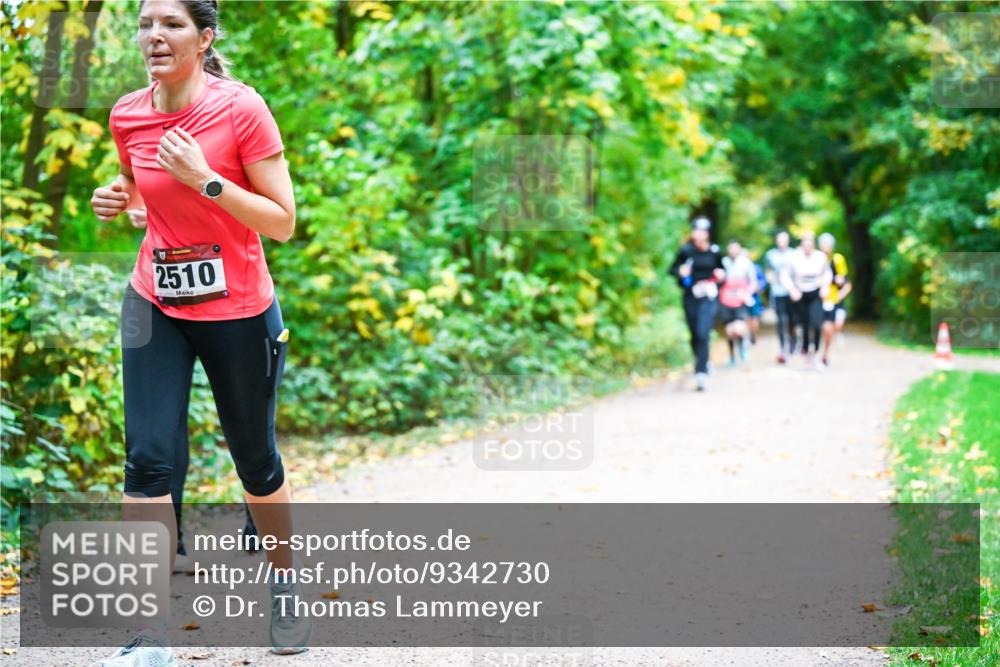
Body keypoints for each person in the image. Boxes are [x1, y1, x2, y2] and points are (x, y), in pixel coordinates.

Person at [89, 1, 309, 662]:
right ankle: (147, 634)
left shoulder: (241, 109)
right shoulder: (128, 113)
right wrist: (119, 198)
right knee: (147, 459)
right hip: (155, 300)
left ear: (204, 37)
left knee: (256, 461)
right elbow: (140, 190)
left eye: (172, 24)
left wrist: (207, 180)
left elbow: (282, 221)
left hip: (237, 308)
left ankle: (285, 585)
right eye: (145, 24)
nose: (154, 36)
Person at [669, 217, 725, 391]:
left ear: (707, 234)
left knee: (703, 331)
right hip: (691, 296)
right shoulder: (686, 251)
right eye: (696, 230)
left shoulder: (715, 251)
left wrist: (721, 276)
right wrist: (681, 272)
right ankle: (702, 359)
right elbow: (672, 269)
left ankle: (701, 372)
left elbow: (723, 272)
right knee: (694, 333)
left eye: (702, 231)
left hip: (708, 296)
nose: (699, 234)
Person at [780, 231, 832, 370]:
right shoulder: (794, 257)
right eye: (805, 242)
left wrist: (825, 286)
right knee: (803, 325)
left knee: (816, 324)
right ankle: (804, 350)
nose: (808, 245)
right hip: (800, 294)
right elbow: (785, 275)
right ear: (802, 243)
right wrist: (792, 289)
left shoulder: (821, 257)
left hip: (815, 293)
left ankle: (816, 352)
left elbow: (827, 273)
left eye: (810, 242)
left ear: (814, 244)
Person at [718, 241, 758, 367]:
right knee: (729, 330)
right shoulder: (722, 262)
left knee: (739, 328)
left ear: (739, 249)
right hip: (725, 301)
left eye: (735, 248)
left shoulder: (746, 263)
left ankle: (742, 347)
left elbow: (753, 281)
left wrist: (747, 294)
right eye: (731, 248)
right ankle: (731, 356)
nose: (733, 251)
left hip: (740, 301)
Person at [818, 233, 852, 367]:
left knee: (836, 324)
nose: (826, 247)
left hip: (834, 299)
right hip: (820, 299)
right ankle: (821, 354)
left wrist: (840, 294)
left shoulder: (837, 259)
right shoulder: (815, 259)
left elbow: (845, 281)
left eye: (828, 244)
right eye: (823, 244)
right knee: (823, 327)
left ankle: (831, 343)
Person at [764, 231, 795, 363]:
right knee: (781, 320)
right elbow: (768, 271)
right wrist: (770, 279)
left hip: (791, 292)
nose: (782, 243)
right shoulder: (770, 254)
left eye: (784, 240)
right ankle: (782, 347)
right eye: (780, 240)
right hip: (777, 292)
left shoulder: (794, 254)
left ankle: (793, 340)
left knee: (792, 319)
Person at [747, 253, 767, 346]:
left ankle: (752, 334)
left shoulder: (756, 268)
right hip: (740, 298)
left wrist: (758, 287)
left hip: (754, 297)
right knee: (745, 318)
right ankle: (746, 336)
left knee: (754, 317)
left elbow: (763, 281)